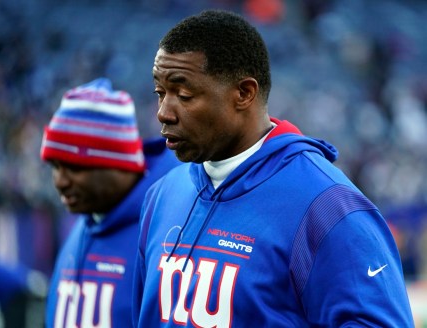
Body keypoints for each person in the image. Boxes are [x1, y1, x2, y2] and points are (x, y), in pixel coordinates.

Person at [131, 10, 415, 327]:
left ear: (244, 93)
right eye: (160, 93)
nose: (163, 113)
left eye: (183, 94)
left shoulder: (328, 208)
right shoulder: (162, 195)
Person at [39, 78, 181, 327]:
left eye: (74, 167)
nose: (60, 181)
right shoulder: (84, 222)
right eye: (55, 166)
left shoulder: (167, 228)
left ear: (118, 163)